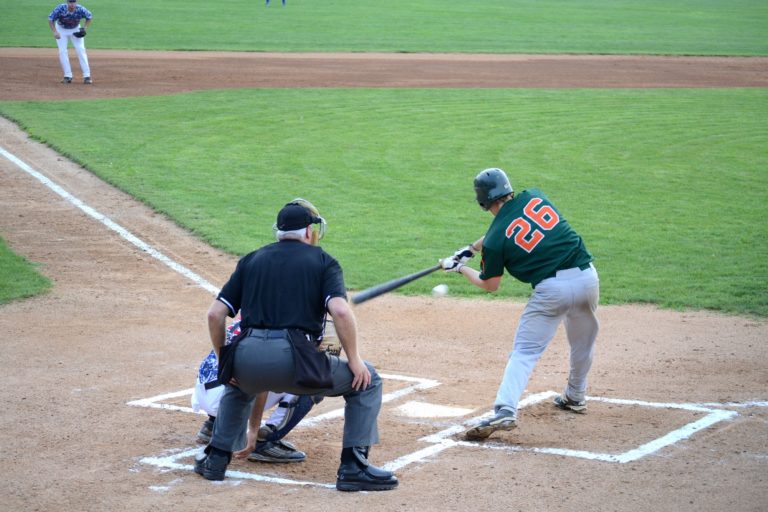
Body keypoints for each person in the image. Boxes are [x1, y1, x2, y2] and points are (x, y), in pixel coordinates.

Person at [194, 198, 398, 492]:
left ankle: (215, 460)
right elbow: (340, 311)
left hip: (247, 355)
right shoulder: (323, 261)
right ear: (307, 232)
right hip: (295, 362)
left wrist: (225, 359)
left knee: (238, 386)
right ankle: (354, 467)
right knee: (368, 380)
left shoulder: (251, 259)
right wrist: (353, 359)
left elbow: (215, 314)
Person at [440, 168, 599, 440]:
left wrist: (458, 269)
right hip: (587, 279)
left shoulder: (495, 240)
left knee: (525, 353)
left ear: (483, 200)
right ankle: (576, 395)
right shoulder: (535, 197)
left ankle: (504, 409)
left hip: (552, 292)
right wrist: (470, 249)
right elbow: (511, 223)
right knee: (582, 344)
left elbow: (490, 284)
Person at [192, 318, 323, 463]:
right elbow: (262, 382)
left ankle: (214, 425)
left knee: (246, 368)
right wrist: (253, 430)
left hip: (204, 390)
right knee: (315, 379)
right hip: (225, 398)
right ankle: (264, 442)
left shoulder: (253, 314)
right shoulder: (281, 329)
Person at [48, 0, 93, 84]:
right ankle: (67, 76)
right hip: (61, 30)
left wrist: (84, 28)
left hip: (75, 29)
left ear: (76, 2)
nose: (72, 4)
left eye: (73, 2)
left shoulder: (80, 9)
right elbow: (50, 19)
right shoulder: (60, 8)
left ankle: (87, 76)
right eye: (70, 2)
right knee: (62, 51)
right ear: (67, 2)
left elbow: (89, 17)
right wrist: (55, 31)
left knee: (81, 50)